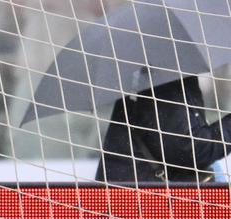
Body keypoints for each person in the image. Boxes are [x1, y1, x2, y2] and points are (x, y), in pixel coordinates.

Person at [97, 75, 231, 184]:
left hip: (134, 185)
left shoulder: (158, 73)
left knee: (216, 172)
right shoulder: (163, 76)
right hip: (138, 196)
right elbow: (187, 149)